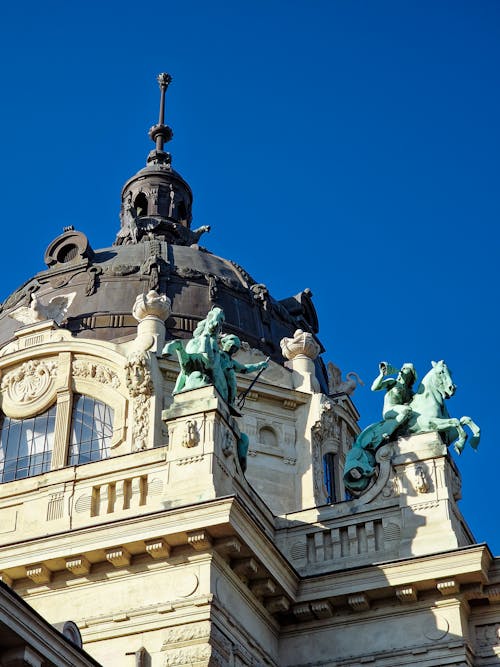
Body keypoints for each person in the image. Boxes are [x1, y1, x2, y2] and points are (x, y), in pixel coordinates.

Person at [219, 334, 268, 407]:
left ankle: (230, 403)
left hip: (227, 390)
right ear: (225, 343)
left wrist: (259, 365)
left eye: (235, 349)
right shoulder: (218, 355)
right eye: (232, 346)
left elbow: (244, 369)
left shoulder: (230, 361)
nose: (233, 350)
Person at [371, 362, 417, 436]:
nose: (403, 370)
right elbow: (374, 388)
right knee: (407, 410)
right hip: (390, 409)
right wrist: (381, 375)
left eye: (406, 369)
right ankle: (388, 432)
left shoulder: (409, 392)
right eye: (403, 369)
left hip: (401, 411)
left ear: (410, 376)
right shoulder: (393, 382)